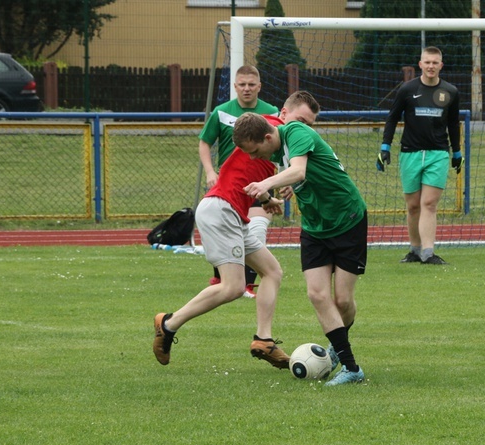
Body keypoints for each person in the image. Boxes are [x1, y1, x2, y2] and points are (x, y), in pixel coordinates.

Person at [153, 92, 321, 368]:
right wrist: (291, 176)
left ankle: (263, 340)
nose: (304, 127)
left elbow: (250, 176)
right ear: (282, 114)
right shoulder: (269, 128)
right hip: (221, 209)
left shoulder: (282, 145)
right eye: (300, 120)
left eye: (310, 124)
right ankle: (168, 324)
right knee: (232, 287)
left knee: (272, 271)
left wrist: (268, 199)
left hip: (232, 212)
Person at [236, 112, 367, 387]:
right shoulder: (275, 150)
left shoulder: (296, 132)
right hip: (315, 228)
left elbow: (299, 171)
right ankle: (351, 366)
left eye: (255, 150)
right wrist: (272, 195)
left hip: (347, 220)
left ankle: (337, 346)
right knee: (317, 294)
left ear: (268, 136)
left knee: (342, 301)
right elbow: (301, 176)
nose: (253, 158)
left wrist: (267, 183)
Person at [377, 46, 463, 265]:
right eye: (427, 62)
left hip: (438, 154)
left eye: (435, 62)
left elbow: (453, 124)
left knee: (430, 203)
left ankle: (428, 252)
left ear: (441, 65)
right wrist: (385, 147)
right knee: (413, 205)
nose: (431, 66)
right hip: (410, 153)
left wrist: (457, 152)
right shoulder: (407, 89)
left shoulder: (451, 91)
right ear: (421, 64)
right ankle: (415, 250)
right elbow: (392, 118)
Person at [198, 64, 279, 297]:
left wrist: (281, 182)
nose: (246, 89)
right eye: (242, 85)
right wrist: (210, 172)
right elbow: (205, 142)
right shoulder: (222, 111)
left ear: (259, 87)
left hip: (259, 184)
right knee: (228, 228)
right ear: (234, 86)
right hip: (229, 185)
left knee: (256, 229)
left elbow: (278, 149)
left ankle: (246, 284)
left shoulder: (270, 113)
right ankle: (222, 277)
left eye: (251, 85)